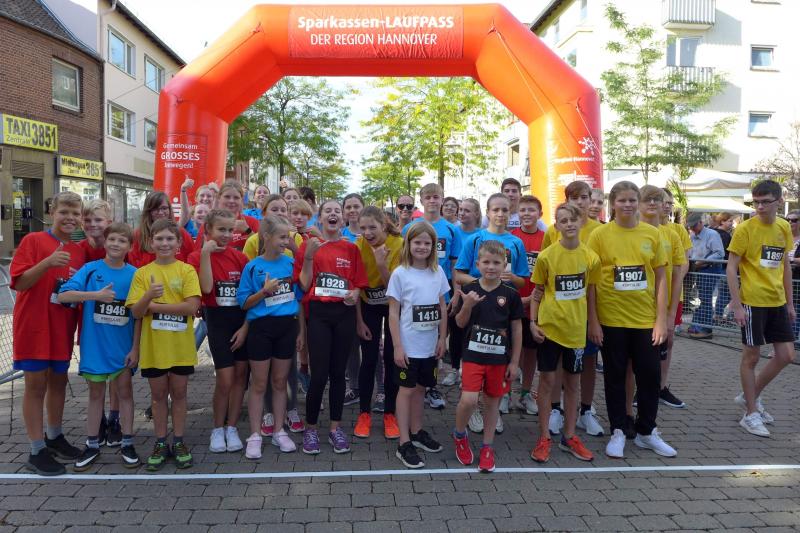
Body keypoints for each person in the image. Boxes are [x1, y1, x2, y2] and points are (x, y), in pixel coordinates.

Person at [587, 181, 676, 459]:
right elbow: (591, 282)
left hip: (645, 320)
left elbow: (661, 278)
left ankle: (647, 431)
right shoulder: (600, 235)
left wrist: (661, 319)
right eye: (622, 200)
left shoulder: (652, 234)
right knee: (614, 377)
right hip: (611, 319)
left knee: (649, 375)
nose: (627, 205)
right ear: (613, 204)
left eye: (632, 200)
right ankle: (617, 430)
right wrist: (593, 320)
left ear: (638, 202)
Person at [11, 191, 86, 476]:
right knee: (35, 386)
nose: (70, 218)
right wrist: (47, 263)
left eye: (75, 213)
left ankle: (54, 436)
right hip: (34, 326)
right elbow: (19, 283)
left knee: (58, 382)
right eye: (64, 212)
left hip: (61, 327)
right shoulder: (34, 241)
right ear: (52, 212)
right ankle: (36, 450)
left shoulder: (79, 250)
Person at [58, 222, 140, 471]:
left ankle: (127, 442)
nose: (116, 244)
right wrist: (95, 296)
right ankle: (92, 444)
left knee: (125, 393)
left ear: (130, 246)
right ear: (105, 242)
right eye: (112, 239)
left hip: (122, 348)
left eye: (122, 240)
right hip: (94, 347)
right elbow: (63, 295)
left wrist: (136, 348)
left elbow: (139, 316)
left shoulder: (136, 274)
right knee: (95, 395)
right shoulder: (90, 270)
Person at [127, 219, 202, 471]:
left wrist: (154, 307)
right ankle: (160, 442)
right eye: (159, 238)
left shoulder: (186, 271)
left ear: (178, 243)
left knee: (179, 394)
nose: (164, 243)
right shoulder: (142, 273)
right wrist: (148, 296)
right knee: (158, 397)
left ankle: (178, 441)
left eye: (170, 238)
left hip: (180, 348)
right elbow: (136, 312)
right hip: (154, 349)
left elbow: (191, 307)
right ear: (151, 242)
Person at [295, 199, 368, 454]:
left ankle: (335, 428)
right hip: (319, 314)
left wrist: (355, 294)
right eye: (328, 211)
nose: (333, 214)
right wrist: (309, 256)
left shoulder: (351, 248)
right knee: (319, 375)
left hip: (344, 314)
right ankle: (311, 428)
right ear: (320, 217)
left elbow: (358, 284)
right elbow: (304, 285)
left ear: (343, 219)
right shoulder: (308, 246)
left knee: (338, 373)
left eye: (337, 211)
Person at [529, 203, 600, 463]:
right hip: (549, 329)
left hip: (576, 331)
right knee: (547, 382)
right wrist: (533, 322)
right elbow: (537, 292)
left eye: (573, 219)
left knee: (572, 384)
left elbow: (591, 293)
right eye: (563, 220)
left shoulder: (591, 258)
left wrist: (593, 324)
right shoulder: (546, 256)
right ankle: (544, 437)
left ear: (581, 222)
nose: (569, 224)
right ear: (556, 225)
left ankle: (569, 437)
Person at [727, 180, 795, 437]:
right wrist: (737, 304)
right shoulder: (745, 229)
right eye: (756, 202)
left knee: (786, 355)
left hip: (777, 301)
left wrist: (789, 303)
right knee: (751, 357)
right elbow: (731, 267)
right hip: (752, 301)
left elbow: (785, 266)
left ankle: (749, 396)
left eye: (765, 202)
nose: (760, 207)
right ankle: (751, 413)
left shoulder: (783, 227)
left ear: (779, 201)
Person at [456, 192, 528, 433]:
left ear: (510, 212)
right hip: (477, 306)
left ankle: (491, 410)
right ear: (487, 213)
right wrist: (483, 282)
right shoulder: (475, 239)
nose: (500, 214)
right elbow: (458, 274)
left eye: (505, 210)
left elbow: (522, 281)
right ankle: (473, 409)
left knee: (498, 359)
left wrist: (510, 278)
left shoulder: (516, 242)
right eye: (495, 209)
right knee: (475, 358)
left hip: (503, 308)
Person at [452, 241, 524, 473]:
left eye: (496, 262)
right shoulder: (470, 289)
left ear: (504, 265)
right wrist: (467, 305)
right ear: (477, 264)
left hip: (498, 359)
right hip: (473, 355)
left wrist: (514, 361)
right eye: (486, 262)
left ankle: (487, 446)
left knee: (492, 403)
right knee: (469, 400)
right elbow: (460, 323)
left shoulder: (511, 294)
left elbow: (517, 329)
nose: (491, 267)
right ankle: (459, 435)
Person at [238, 215, 306, 457]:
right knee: (259, 383)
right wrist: (264, 292)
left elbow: (299, 299)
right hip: (261, 329)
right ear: (266, 237)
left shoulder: (291, 264)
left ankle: (279, 431)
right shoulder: (252, 266)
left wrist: (301, 331)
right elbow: (244, 303)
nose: (287, 241)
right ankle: (255, 434)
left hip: (286, 327)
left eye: (288, 237)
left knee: (279, 382)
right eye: (282, 237)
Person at [187, 210, 250, 454]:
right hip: (216, 321)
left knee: (240, 376)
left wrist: (245, 328)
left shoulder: (240, 258)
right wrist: (205, 254)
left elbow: (249, 299)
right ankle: (217, 428)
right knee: (225, 378)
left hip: (241, 323)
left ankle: (232, 427)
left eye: (230, 230)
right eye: (221, 229)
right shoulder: (196, 257)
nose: (226, 234)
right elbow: (205, 288)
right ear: (208, 230)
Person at [387, 221, 449, 468]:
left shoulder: (438, 272)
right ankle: (404, 442)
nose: (422, 247)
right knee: (406, 390)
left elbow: (442, 307)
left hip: (429, 345)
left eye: (427, 243)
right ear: (408, 244)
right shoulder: (400, 273)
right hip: (408, 345)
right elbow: (393, 313)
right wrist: (397, 346)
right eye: (417, 242)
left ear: (433, 246)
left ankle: (416, 431)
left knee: (421, 389)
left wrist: (442, 338)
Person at [402, 183, 463, 411]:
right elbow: (402, 260)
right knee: (415, 334)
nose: (432, 201)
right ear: (421, 200)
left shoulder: (451, 229)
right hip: (414, 292)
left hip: (440, 291)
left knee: (438, 338)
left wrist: (456, 292)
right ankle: (410, 381)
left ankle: (431, 385)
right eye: (428, 197)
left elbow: (455, 264)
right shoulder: (409, 228)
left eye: (436, 197)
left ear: (442, 199)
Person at [354, 207, 403, 440]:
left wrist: (381, 263)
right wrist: (359, 320)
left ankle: (389, 413)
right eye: (363, 228)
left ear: (383, 225)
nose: (367, 233)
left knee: (392, 358)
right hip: (368, 304)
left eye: (372, 227)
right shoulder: (358, 246)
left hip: (393, 303)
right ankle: (364, 413)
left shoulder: (399, 244)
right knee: (369, 358)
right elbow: (355, 285)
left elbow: (394, 287)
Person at [637, 186, 687, 411]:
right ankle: (639, 391)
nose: (655, 204)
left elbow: (679, 271)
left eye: (659, 200)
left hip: (666, 302)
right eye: (648, 199)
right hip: (635, 305)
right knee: (638, 352)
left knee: (665, 344)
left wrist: (670, 312)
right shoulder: (629, 231)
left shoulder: (673, 234)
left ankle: (660, 388)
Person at [78, 199, 123, 445]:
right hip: (89, 319)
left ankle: (115, 417)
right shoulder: (80, 250)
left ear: (109, 222)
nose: (93, 224)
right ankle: (101, 419)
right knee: (95, 372)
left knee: (116, 372)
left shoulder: (116, 246)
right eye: (88, 220)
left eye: (98, 220)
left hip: (115, 318)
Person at [511, 195, 545, 416]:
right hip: (513, 302)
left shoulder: (546, 238)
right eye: (523, 210)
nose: (526, 214)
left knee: (531, 352)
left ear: (540, 214)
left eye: (531, 210)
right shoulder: (511, 237)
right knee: (510, 349)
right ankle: (505, 393)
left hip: (537, 304)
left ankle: (525, 393)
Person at [443, 198, 482, 387]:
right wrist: (456, 293)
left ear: (476, 214)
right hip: (455, 285)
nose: (462, 213)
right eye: (461, 209)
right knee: (456, 330)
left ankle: (469, 370)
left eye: (467, 210)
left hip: (477, 286)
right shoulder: (453, 231)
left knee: (472, 330)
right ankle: (453, 369)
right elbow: (452, 264)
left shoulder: (482, 235)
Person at [129, 191, 196, 267]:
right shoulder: (138, 235)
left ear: (169, 209)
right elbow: (132, 263)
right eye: (155, 209)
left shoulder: (181, 232)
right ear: (148, 211)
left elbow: (192, 259)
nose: (160, 212)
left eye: (164, 208)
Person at [686, 212, 725, 339]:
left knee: (706, 299)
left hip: (710, 268)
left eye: (694, 225)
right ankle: (698, 325)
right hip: (699, 268)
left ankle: (706, 329)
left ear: (701, 223)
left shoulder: (712, 234)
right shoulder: (693, 235)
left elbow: (719, 253)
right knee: (703, 298)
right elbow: (691, 252)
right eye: (691, 226)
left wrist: (703, 261)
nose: (692, 228)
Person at [195, 180, 259, 252]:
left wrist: (248, 231)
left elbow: (263, 251)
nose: (231, 201)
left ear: (241, 200)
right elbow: (197, 253)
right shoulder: (209, 224)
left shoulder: (252, 222)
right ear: (219, 198)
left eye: (236, 197)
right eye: (227, 197)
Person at [481, 178, 547, 232]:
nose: (510, 194)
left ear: (520, 195)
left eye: (514, 191)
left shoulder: (530, 217)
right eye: (507, 191)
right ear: (501, 194)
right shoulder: (490, 217)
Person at [712, 212, 734, 322]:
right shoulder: (725, 235)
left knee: (724, 293)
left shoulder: (714, 232)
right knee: (725, 293)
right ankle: (718, 315)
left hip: (719, 267)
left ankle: (718, 315)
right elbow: (725, 252)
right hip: (724, 267)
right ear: (722, 221)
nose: (732, 223)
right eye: (730, 221)